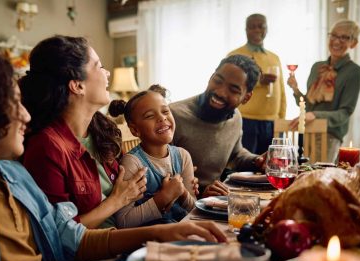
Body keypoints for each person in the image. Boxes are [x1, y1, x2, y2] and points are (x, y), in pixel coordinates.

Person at [0, 48, 227, 261]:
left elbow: (69, 239)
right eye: (13, 103)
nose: (25, 114)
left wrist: (158, 234)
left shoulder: (11, 176)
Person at [21, 36, 150, 229]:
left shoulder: (103, 129)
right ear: (77, 85)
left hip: (127, 235)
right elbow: (60, 234)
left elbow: (131, 190)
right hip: (97, 256)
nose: (107, 73)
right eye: (99, 66)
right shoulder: (46, 147)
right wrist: (117, 201)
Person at [170, 54, 265, 198]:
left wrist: (257, 161)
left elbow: (236, 155)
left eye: (233, 90)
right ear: (211, 77)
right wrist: (200, 196)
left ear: (246, 97)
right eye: (218, 80)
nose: (220, 92)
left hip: (214, 201)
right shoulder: (173, 116)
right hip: (183, 208)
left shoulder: (235, 117)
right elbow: (159, 179)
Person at [108, 84, 196, 228]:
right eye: (150, 116)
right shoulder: (132, 163)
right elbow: (123, 221)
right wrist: (163, 198)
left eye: (165, 111)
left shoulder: (183, 156)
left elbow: (194, 211)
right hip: (146, 243)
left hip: (183, 235)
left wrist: (183, 193)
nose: (162, 118)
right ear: (135, 130)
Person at [287, 19, 360, 163]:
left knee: (316, 180)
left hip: (329, 136)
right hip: (307, 132)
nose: (336, 41)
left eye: (344, 37)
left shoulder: (354, 72)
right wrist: (295, 89)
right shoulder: (317, 67)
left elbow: (345, 113)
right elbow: (307, 107)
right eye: (333, 35)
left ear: (354, 43)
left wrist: (315, 115)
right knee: (301, 177)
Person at [227, 13, 286, 155]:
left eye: (261, 26)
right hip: (245, 120)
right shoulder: (235, 55)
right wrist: (258, 81)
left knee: (271, 166)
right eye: (252, 27)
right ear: (246, 30)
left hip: (273, 122)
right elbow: (229, 85)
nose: (257, 30)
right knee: (246, 166)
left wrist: (281, 120)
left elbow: (282, 90)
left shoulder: (274, 57)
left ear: (267, 29)